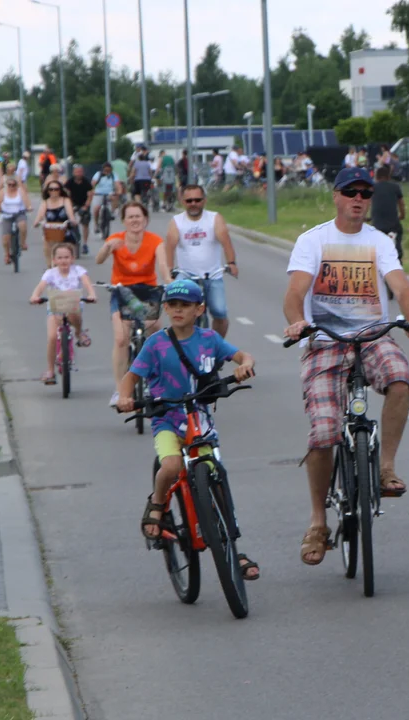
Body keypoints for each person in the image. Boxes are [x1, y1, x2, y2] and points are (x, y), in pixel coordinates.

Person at [283, 167, 409, 566]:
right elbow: (295, 292)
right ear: (335, 196)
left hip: (373, 336)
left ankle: (386, 467)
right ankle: (317, 522)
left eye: (365, 193)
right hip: (325, 342)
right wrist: (297, 320)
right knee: (324, 434)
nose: (358, 198)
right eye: (350, 191)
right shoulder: (312, 240)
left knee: (401, 379)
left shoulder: (379, 241)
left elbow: (400, 286)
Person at [115, 278, 260, 580]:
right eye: (173, 305)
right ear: (165, 308)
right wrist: (125, 397)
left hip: (199, 418)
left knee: (215, 475)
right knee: (170, 465)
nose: (178, 310)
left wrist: (244, 365)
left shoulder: (209, 339)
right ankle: (157, 503)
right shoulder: (156, 343)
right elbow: (131, 376)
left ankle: (231, 544)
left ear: (199, 309)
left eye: (186, 305)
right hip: (167, 417)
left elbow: (242, 356)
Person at [96, 202, 170, 407]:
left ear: (145, 220)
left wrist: (170, 282)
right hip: (121, 291)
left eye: (139, 216)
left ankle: (150, 379)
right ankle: (120, 390)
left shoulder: (155, 241)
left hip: (148, 291)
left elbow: (163, 266)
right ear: (123, 221)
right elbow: (99, 259)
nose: (135, 220)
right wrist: (108, 247)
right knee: (121, 338)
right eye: (130, 217)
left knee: (155, 329)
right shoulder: (116, 239)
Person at [165, 185, 239, 337]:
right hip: (187, 275)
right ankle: (182, 343)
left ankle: (217, 346)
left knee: (220, 312)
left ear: (204, 201)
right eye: (189, 200)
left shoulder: (214, 218)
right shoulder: (177, 221)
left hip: (212, 275)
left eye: (197, 200)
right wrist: (170, 270)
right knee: (178, 308)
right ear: (183, 201)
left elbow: (226, 241)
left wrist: (231, 263)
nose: (193, 203)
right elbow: (170, 247)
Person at [29, 243, 97, 384]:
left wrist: (91, 294)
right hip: (55, 307)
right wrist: (35, 296)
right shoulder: (50, 273)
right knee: (52, 337)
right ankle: (50, 371)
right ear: (54, 260)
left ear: (72, 258)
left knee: (74, 314)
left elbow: (87, 283)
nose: (63, 261)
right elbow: (41, 286)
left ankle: (78, 332)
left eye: (66, 257)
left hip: (73, 305)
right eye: (59, 258)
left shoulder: (78, 271)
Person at [33, 179, 80, 268]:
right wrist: (37, 222)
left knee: (68, 253)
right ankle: (50, 269)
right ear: (47, 191)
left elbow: (70, 213)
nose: (53, 191)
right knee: (48, 250)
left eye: (56, 189)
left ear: (60, 190)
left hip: (64, 230)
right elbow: (40, 215)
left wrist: (73, 220)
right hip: (51, 231)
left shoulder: (65, 200)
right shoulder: (45, 202)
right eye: (51, 189)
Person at [369, 165, 405, 263]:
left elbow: (366, 202)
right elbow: (401, 203)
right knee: (398, 233)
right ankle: (398, 254)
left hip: (377, 225)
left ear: (376, 177)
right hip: (393, 225)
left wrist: (365, 217)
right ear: (388, 176)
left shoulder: (372, 188)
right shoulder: (395, 187)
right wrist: (402, 215)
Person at [0, 173, 31, 265]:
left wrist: (28, 207)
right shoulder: (2, 192)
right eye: (9, 185)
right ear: (6, 185)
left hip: (19, 213)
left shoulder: (20, 191)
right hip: (7, 214)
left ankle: (22, 243)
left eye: (14, 185)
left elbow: (26, 201)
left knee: (22, 225)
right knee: (5, 238)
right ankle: (7, 254)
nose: (12, 187)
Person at [64, 165, 95, 254]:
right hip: (73, 204)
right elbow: (66, 194)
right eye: (77, 172)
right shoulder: (69, 182)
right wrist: (69, 206)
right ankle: (72, 241)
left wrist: (86, 206)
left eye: (80, 172)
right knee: (70, 222)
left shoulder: (86, 182)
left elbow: (90, 195)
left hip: (84, 203)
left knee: (85, 223)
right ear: (73, 173)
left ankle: (85, 244)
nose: (79, 174)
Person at [90, 163, 121, 233]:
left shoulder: (113, 175)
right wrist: (92, 191)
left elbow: (117, 184)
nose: (107, 172)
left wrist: (119, 191)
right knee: (96, 208)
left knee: (115, 198)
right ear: (103, 170)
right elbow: (93, 183)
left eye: (109, 171)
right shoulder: (98, 174)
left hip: (109, 193)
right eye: (105, 170)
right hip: (98, 193)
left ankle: (112, 212)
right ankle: (96, 224)